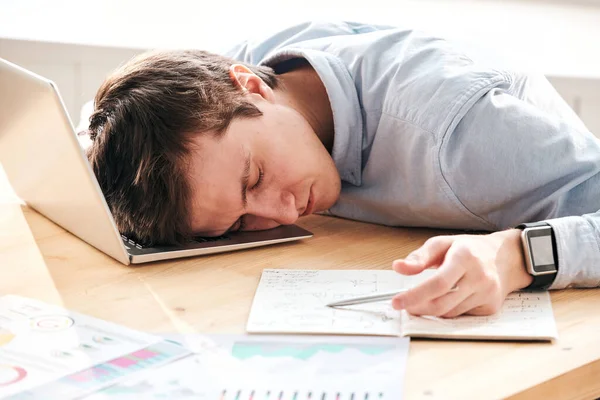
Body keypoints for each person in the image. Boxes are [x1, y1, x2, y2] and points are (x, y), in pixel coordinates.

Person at [84, 21, 600, 319]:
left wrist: (515, 256)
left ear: (253, 88)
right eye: (240, 224)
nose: (282, 212)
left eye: (254, 179)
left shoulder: (464, 135)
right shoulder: (232, 83)